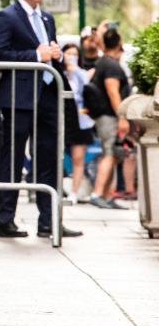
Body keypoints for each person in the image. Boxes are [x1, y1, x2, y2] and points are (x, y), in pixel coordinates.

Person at [0, 0, 82, 239]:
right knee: (13, 157)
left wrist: (55, 54)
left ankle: (49, 220)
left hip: (48, 96)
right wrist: (35, 54)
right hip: (19, 98)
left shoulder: (47, 18)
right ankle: (5, 220)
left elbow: (47, 53)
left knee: (50, 157)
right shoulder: (6, 17)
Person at [88, 28, 131, 210]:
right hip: (109, 116)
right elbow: (113, 93)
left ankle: (106, 196)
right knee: (109, 153)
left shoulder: (104, 62)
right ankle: (98, 193)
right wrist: (122, 116)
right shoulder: (111, 66)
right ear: (119, 43)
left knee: (113, 154)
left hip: (106, 115)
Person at [61, 42, 95, 205]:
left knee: (78, 158)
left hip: (80, 118)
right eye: (68, 54)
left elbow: (86, 88)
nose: (72, 57)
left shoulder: (80, 73)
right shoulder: (56, 73)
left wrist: (76, 71)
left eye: (75, 54)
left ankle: (74, 192)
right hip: (61, 117)